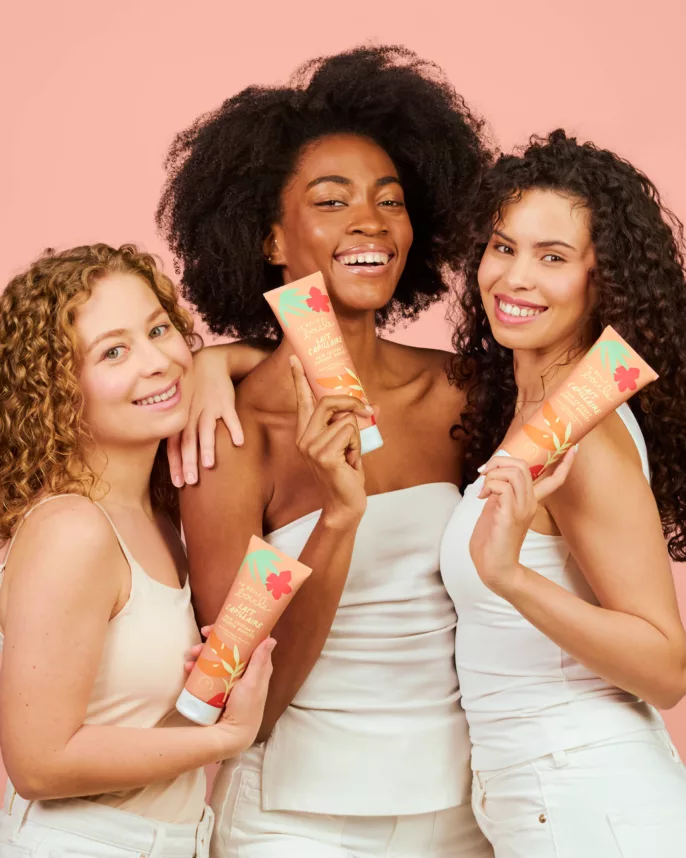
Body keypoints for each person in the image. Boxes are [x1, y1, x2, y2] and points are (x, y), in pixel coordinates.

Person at [157, 46, 494, 857]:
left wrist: (224, 353)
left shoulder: (460, 396)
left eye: (391, 199)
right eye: (331, 201)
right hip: (295, 822)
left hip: (466, 810)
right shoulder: (232, 436)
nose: (371, 222)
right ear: (270, 235)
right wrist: (338, 521)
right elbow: (242, 700)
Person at [442, 130, 686, 856]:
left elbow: (665, 666)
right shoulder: (534, 414)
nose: (515, 278)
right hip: (543, 803)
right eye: (503, 246)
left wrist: (510, 578)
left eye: (552, 258)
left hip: (590, 801)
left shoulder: (588, 436)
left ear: (600, 280)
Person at [0, 244, 274, 858]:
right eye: (114, 351)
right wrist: (226, 737)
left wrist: (214, 362)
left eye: (159, 330)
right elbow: (39, 763)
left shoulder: (157, 514)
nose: (157, 363)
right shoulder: (73, 529)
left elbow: (284, 368)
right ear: (56, 388)